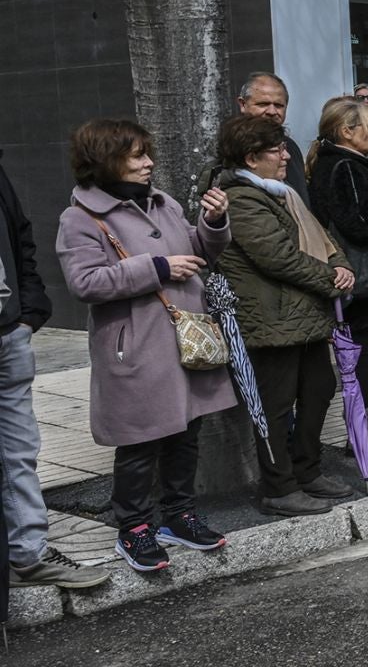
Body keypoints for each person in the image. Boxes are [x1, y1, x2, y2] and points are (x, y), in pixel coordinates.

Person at [57, 120, 236, 572]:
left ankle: (179, 515)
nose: (148, 162)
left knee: (186, 432)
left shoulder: (164, 202)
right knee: (139, 443)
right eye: (137, 155)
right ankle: (134, 528)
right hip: (134, 346)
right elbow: (85, 282)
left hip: (184, 339)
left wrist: (212, 223)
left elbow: (197, 252)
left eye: (146, 153)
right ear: (105, 159)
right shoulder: (80, 218)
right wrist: (156, 267)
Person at [212, 114, 357, 515]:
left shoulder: (280, 193)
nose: (284, 157)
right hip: (271, 320)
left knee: (318, 389)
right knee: (275, 408)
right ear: (250, 157)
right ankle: (278, 487)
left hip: (304, 316)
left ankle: (307, 471)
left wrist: (340, 265)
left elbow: (322, 238)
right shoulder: (240, 199)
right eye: (276, 150)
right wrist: (332, 279)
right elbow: (279, 259)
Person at [0, 154, 107, 591]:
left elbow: (19, 236)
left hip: (9, 332)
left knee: (19, 451)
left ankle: (29, 554)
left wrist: (29, 312)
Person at [305, 95, 368, 458]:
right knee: (360, 358)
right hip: (359, 284)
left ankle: (366, 424)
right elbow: (360, 222)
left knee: (362, 356)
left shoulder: (340, 163)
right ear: (347, 131)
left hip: (358, 283)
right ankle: (361, 430)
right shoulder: (345, 168)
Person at [201, 73, 309, 204]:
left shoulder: (291, 147)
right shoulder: (227, 149)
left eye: (279, 105)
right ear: (242, 104)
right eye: (263, 104)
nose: (272, 111)